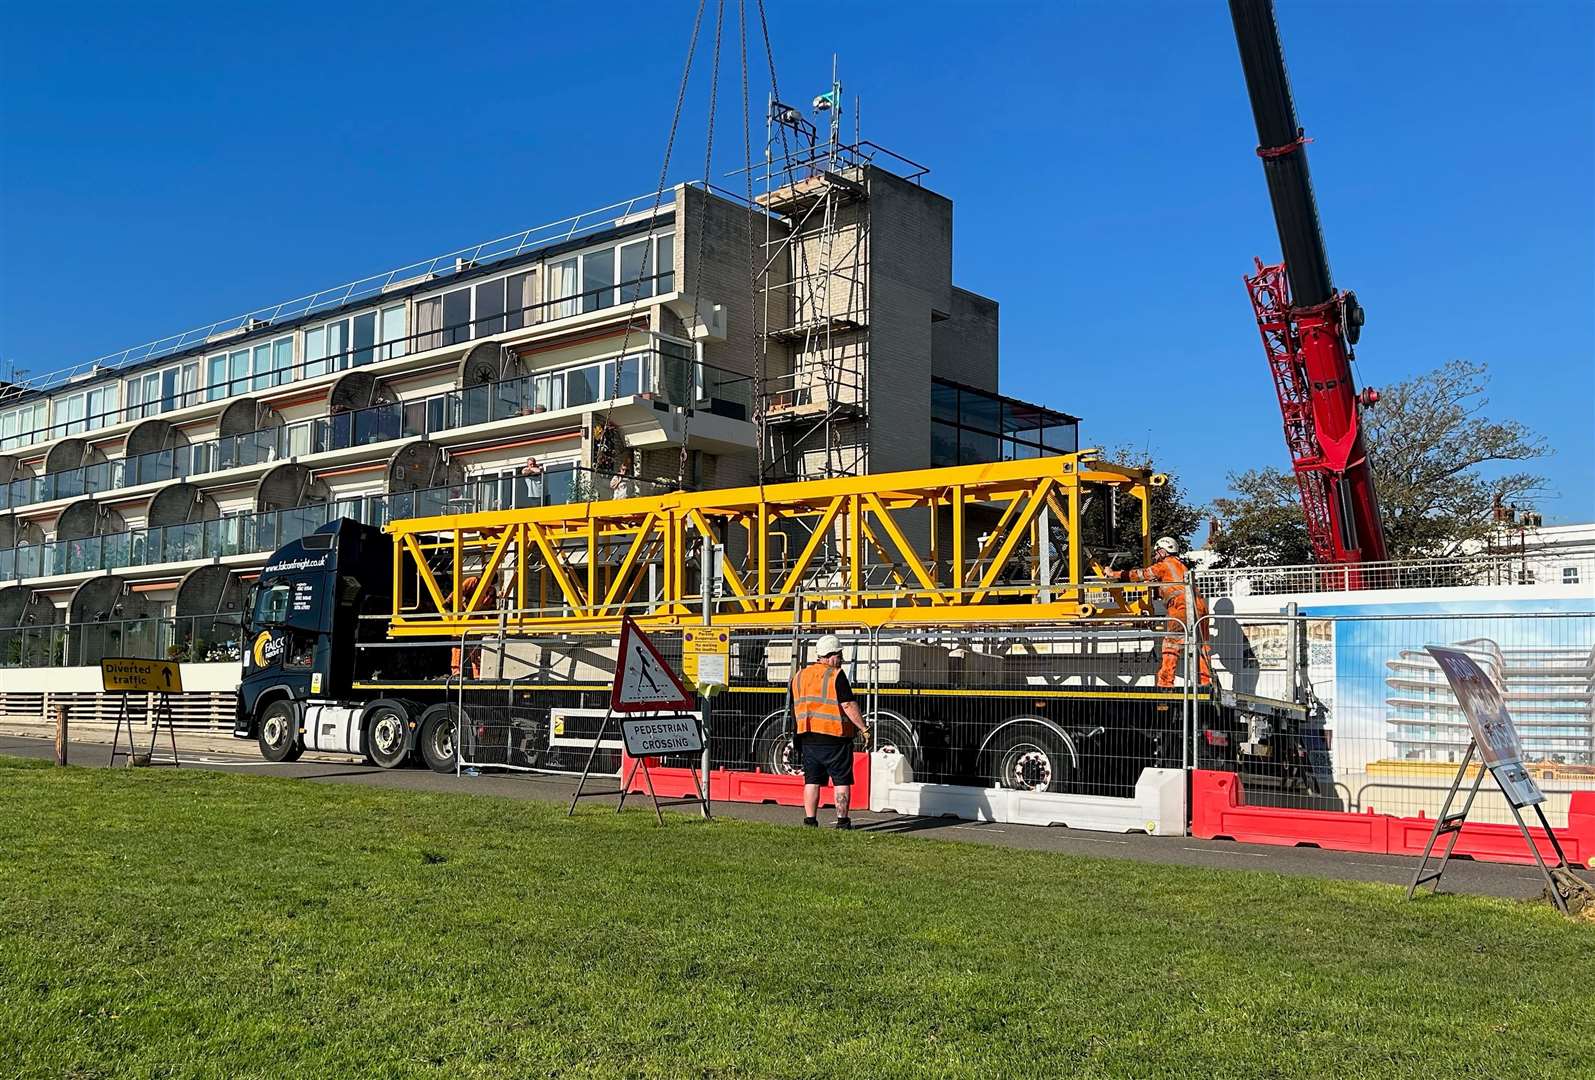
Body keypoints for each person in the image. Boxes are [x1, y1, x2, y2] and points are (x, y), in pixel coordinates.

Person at [1108, 536, 1213, 688]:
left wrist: (1114, 574)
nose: (1155, 556)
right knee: (1201, 645)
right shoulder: (1180, 567)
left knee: (1171, 645)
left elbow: (1138, 574)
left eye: (1157, 552)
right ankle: (1204, 682)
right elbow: (1170, 586)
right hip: (1200, 606)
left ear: (1163, 552)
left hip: (1181, 607)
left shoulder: (1164, 565)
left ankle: (1165, 683)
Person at [790, 633, 870, 829]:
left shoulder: (800, 675)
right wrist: (863, 728)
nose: (841, 660)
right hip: (835, 737)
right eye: (839, 655)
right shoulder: (836, 675)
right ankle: (842, 822)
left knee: (811, 780)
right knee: (841, 780)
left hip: (807, 736)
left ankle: (810, 821)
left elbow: (795, 707)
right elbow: (848, 705)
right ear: (830, 655)